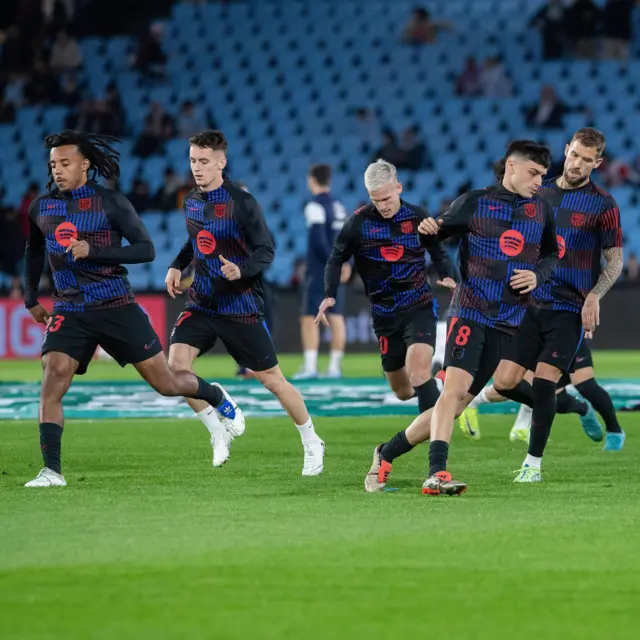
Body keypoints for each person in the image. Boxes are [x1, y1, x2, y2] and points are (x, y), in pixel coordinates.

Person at [23, 130, 232, 488]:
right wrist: (30, 299)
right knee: (53, 376)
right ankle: (51, 470)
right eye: (53, 164)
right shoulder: (41, 206)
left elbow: (145, 249)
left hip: (116, 305)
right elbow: (33, 251)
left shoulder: (110, 202)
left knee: (166, 384)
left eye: (65, 163)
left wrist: (94, 251)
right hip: (69, 308)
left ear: (85, 164)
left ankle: (214, 395)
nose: (57, 170)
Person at [363, 141, 558, 495]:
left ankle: (386, 452)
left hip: (507, 321)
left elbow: (551, 255)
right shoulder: (476, 202)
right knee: (452, 392)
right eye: (533, 173)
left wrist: (537, 276)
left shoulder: (541, 210)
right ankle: (437, 472)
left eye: (543, 176)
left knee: (454, 405)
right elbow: (436, 231)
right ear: (511, 167)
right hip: (469, 310)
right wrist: (427, 230)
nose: (538, 182)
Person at [462, 128, 625, 476]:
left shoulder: (603, 204)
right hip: (530, 304)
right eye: (574, 155)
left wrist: (595, 295)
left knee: (545, 382)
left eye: (586, 159)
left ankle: (532, 464)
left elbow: (615, 259)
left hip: (569, 308)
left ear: (597, 163)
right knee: (504, 382)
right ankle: (573, 407)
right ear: (567, 150)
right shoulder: (541, 191)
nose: (577, 164)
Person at [165, 130, 325, 475]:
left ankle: (312, 441)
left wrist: (242, 269)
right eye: (193, 160)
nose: (197, 167)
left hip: (239, 306)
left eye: (204, 161)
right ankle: (217, 427)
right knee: (175, 371)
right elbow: (195, 242)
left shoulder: (242, 203)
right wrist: (177, 265)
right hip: (201, 303)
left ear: (221, 162)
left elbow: (266, 250)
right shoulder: (191, 200)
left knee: (273, 381)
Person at [316, 159, 456, 425]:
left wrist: (447, 275)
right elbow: (336, 258)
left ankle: (437, 447)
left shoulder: (417, 216)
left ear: (399, 187)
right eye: (376, 200)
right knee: (403, 391)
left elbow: (438, 251)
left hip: (418, 306)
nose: (383, 205)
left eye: (387, 198)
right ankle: (441, 384)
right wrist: (329, 293)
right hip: (383, 315)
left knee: (417, 374)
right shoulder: (358, 223)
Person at [295, 164, 349, 379]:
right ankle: (334, 368)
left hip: (320, 270)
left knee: (309, 317)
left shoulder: (314, 206)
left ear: (312, 179)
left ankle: (310, 367)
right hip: (339, 268)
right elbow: (347, 240)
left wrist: (333, 263)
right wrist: (346, 264)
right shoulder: (339, 207)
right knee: (337, 316)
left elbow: (318, 241)